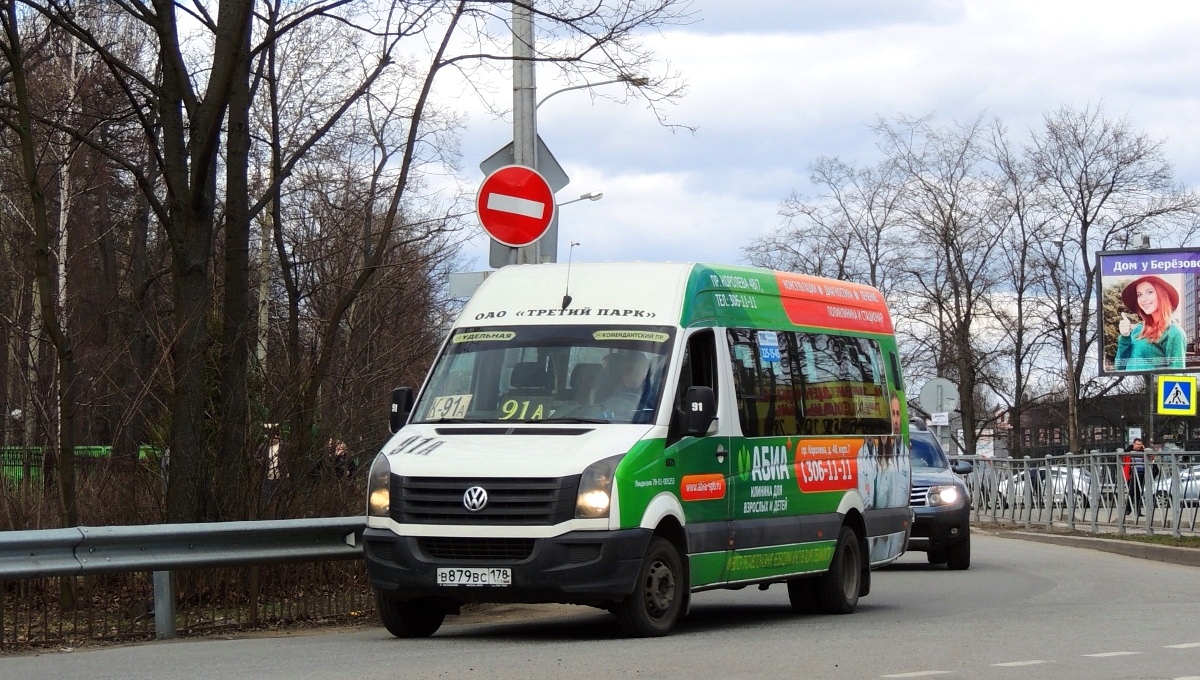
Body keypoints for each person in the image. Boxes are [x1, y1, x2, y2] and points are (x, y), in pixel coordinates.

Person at [1115, 275, 1186, 371]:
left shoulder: (1174, 332)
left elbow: (1176, 376)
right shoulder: (1137, 330)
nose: (1143, 299)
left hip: (1153, 385)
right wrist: (1124, 337)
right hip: (1128, 386)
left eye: (1149, 292)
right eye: (1139, 294)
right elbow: (1120, 368)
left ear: (1162, 295)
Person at [1123, 437, 1146, 516]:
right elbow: (1123, 457)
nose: (1139, 446)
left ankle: (1138, 511)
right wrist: (1129, 448)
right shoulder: (1129, 452)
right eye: (1137, 444)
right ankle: (1128, 510)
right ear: (1134, 444)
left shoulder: (1143, 452)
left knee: (1139, 493)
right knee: (1131, 492)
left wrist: (1144, 449)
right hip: (1132, 474)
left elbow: (1151, 458)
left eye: (1140, 444)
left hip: (1141, 474)